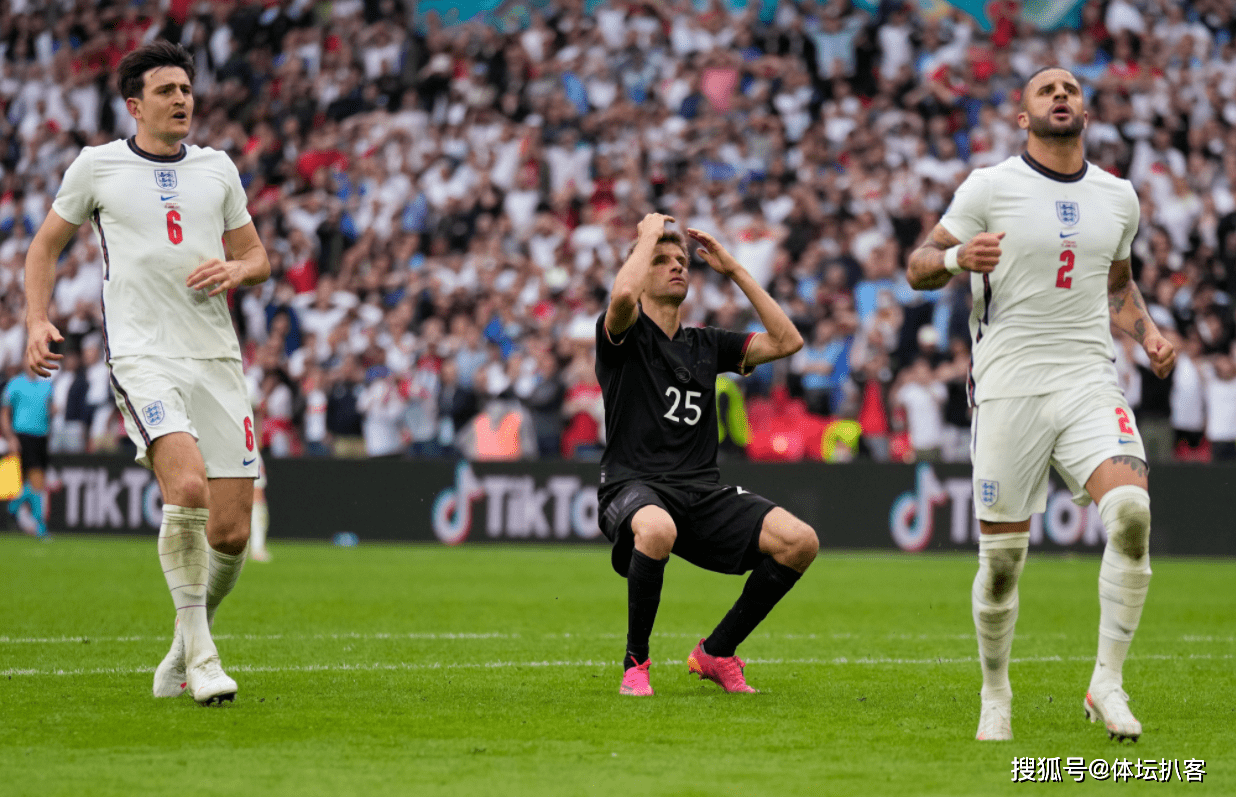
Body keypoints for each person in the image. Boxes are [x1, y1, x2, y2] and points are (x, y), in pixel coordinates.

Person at [907, 67, 1176, 742]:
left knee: (1133, 512)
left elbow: (1117, 285)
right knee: (1000, 565)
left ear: (1085, 109)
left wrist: (1147, 333)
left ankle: (1106, 682)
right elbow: (917, 264)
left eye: (1071, 89)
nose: (1061, 95)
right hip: (1007, 387)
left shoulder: (1119, 196)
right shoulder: (989, 186)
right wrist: (955, 258)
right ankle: (995, 691)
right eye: (1045, 90)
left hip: (1088, 379)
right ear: (1022, 116)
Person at [23, 41, 271, 705]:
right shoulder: (96, 166)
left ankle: (186, 640)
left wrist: (237, 268)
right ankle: (207, 658)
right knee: (184, 485)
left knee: (231, 530)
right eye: (166, 91)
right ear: (135, 105)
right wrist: (35, 320)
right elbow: (44, 246)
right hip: (142, 354)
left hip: (216, 357)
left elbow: (257, 256)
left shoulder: (218, 169)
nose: (182, 99)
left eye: (186, 89)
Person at [596, 213, 818, 697]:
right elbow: (619, 298)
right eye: (662, 260)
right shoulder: (624, 334)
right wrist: (648, 235)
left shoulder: (705, 344)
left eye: (682, 261)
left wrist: (734, 270)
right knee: (656, 529)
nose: (677, 266)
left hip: (699, 491)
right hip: (632, 485)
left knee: (800, 541)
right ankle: (636, 664)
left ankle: (717, 651)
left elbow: (788, 342)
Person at [2, 364, 55, 538]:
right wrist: (10, 438)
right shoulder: (15, 384)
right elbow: (4, 413)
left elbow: (49, 411)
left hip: (41, 437)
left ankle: (18, 508)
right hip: (22, 436)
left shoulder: (47, 385)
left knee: (38, 483)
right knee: (27, 482)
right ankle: (37, 525)